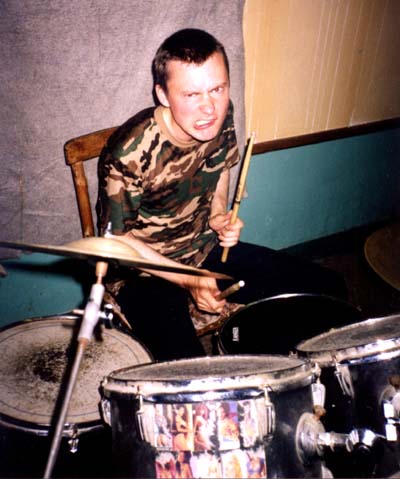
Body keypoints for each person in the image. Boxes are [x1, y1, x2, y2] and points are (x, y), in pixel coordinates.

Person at [96, 28, 348, 361]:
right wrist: (189, 280)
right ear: (162, 94)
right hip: (143, 272)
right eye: (191, 94)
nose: (209, 109)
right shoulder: (128, 152)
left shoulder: (221, 114)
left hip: (204, 249)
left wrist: (217, 214)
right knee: (191, 372)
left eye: (217, 89)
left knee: (329, 288)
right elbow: (115, 241)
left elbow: (221, 165)